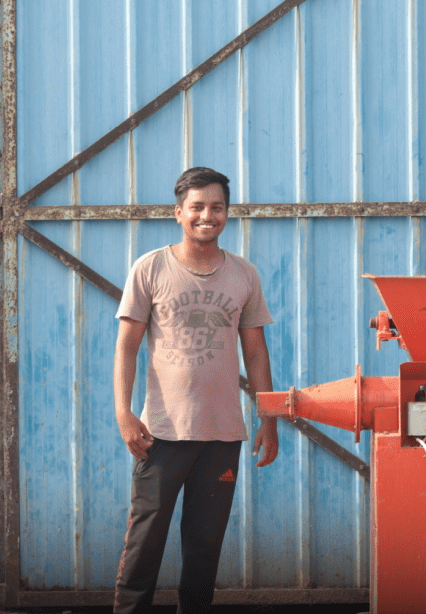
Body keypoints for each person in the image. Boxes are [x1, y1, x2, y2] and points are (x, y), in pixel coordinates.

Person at [112, 167, 279, 614]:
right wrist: (124, 413)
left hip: (223, 435)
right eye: (198, 207)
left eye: (217, 207)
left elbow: (257, 354)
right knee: (145, 541)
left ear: (227, 213)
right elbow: (126, 347)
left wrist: (269, 418)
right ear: (179, 213)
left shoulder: (244, 275)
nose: (208, 215)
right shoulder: (150, 268)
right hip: (162, 432)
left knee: (204, 549)